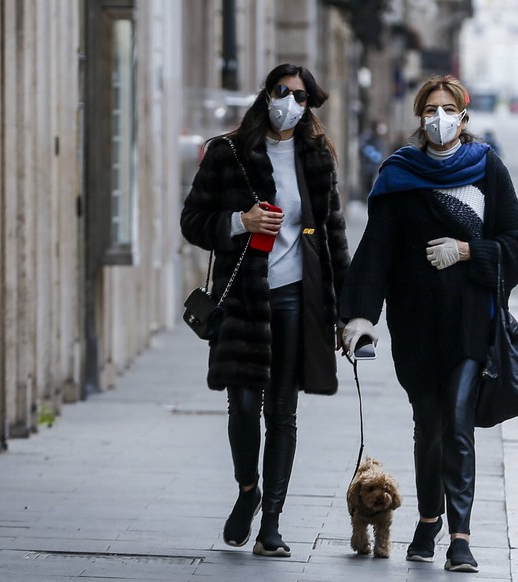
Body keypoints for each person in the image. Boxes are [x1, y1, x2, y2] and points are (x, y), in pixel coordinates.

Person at [338, 75, 518, 573]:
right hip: (416, 325)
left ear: (463, 117)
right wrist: (360, 316)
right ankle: (428, 520)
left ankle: (460, 538)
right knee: (429, 428)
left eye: (448, 109)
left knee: (459, 423)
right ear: (420, 117)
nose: (439, 118)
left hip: (472, 323)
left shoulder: (487, 168)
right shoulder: (398, 174)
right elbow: (375, 252)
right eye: (430, 109)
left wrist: (469, 250)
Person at [180, 63, 350, 557]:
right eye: (283, 92)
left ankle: (271, 521)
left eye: (301, 97)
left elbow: (334, 234)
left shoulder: (316, 157)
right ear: (266, 94)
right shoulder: (227, 153)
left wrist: (346, 313)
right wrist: (240, 220)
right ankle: (247, 490)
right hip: (244, 298)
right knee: (242, 408)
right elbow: (193, 221)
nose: (290, 103)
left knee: (283, 411)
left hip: (297, 297)